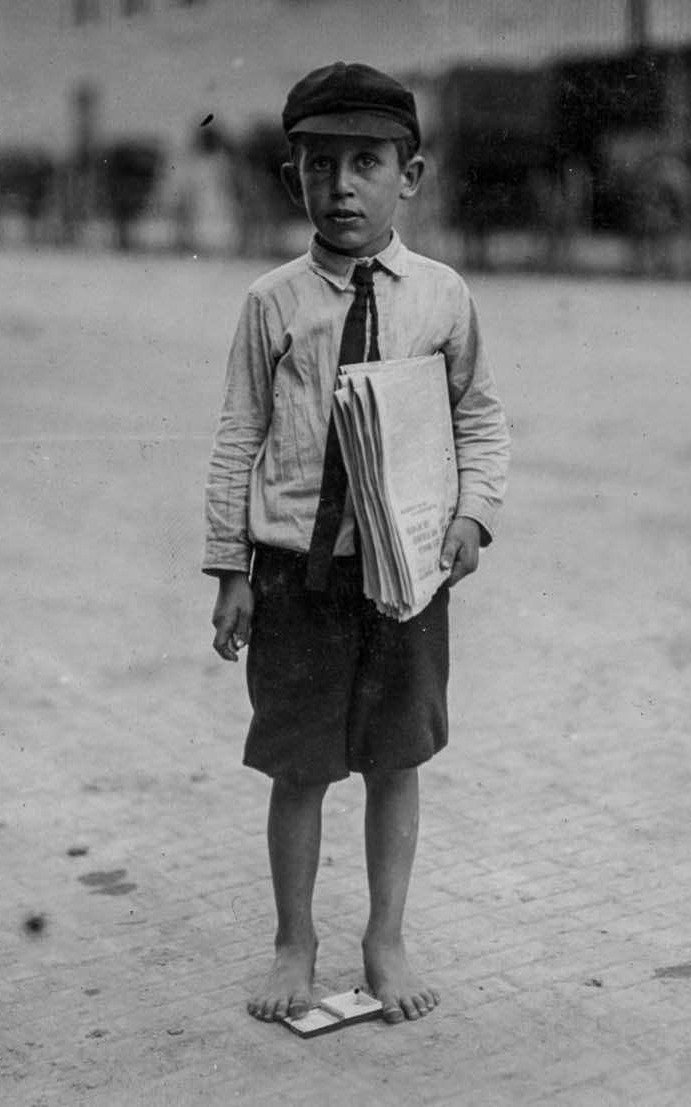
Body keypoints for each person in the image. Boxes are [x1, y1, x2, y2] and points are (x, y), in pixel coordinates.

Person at [202, 61, 510, 1026]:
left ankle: (387, 934)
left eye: (366, 163)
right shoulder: (273, 304)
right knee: (300, 766)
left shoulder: (442, 297)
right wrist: (229, 568)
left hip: (404, 574)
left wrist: (472, 515)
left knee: (394, 757)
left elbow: (482, 420)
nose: (341, 186)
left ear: (408, 177)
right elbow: (237, 437)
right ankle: (294, 941)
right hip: (298, 572)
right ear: (293, 177)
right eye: (319, 164)